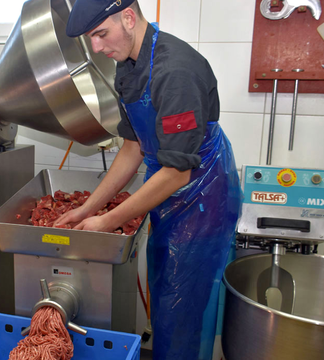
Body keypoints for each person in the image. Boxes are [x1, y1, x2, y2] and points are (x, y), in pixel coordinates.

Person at [58, 1, 242, 359]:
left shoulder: (175, 72)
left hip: (202, 199)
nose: (97, 48)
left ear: (128, 18)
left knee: (181, 309)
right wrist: (87, 209)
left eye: (100, 34)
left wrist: (108, 222)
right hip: (169, 193)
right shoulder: (127, 65)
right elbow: (133, 148)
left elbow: (177, 171)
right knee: (165, 297)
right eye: (90, 39)